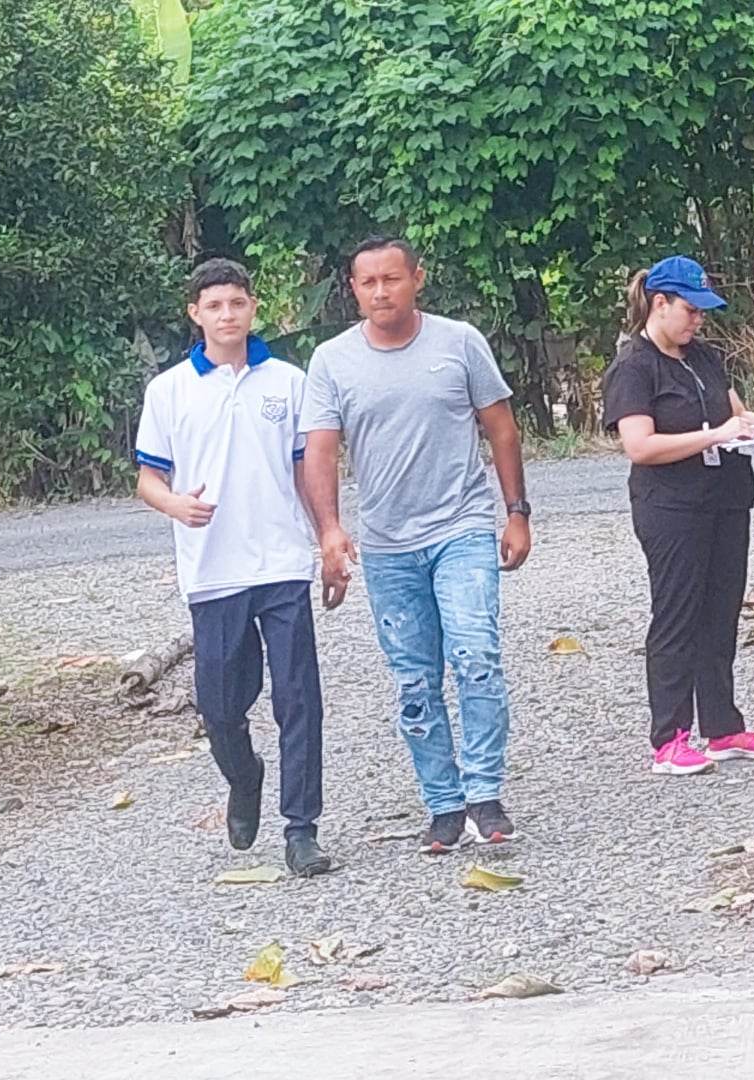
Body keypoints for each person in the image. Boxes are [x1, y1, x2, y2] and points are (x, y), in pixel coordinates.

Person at [301, 236, 532, 853]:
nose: (381, 292)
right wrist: (329, 530)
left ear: (417, 279)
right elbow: (320, 450)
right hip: (387, 545)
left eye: (392, 279)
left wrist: (516, 512)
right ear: (353, 289)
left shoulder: (459, 343)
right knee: (414, 680)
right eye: (368, 282)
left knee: (476, 654)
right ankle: (443, 803)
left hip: (461, 527)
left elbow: (501, 428)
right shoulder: (332, 361)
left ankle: (484, 793)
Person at [134, 258, 332, 877]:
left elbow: (306, 469)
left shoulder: (289, 382)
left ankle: (301, 829)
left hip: (281, 562)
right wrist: (174, 504)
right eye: (215, 306)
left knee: (299, 699)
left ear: (253, 308)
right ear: (195, 313)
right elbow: (148, 478)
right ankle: (244, 778)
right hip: (213, 568)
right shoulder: (169, 391)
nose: (227, 315)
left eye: (237, 303)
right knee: (220, 706)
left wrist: (328, 535)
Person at [601, 256, 754, 776]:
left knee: (721, 612)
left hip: (725, 498)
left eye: (703, 312)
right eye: (690, 310)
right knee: (677, 617)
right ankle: (669, 738)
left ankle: (723, 726)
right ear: (659, 303)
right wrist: (713, 436)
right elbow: (640, 446)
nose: (698, 320)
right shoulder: (634, 367)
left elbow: (735, 414)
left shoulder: (705, 356)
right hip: (671, 506)